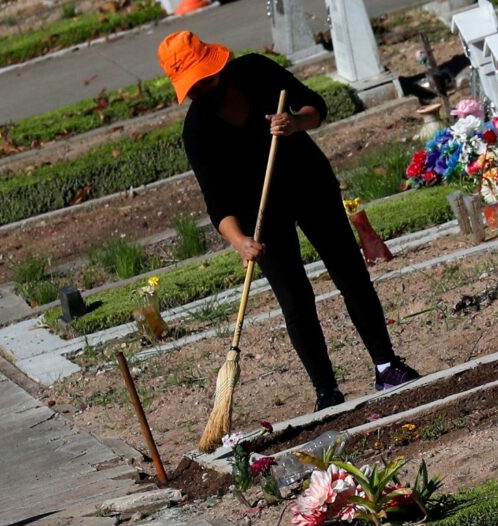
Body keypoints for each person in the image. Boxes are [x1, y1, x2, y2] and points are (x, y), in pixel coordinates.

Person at [161, 31, 419, 411]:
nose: (202, 91)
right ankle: (326, 391)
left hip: (310, 185)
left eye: (205, 81)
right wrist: (239, 241)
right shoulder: (197, 131)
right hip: (260, 217)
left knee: (350, 273)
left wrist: (296, 123)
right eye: (193, 89)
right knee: (295, 298)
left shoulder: (255, 70)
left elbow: (316, 107)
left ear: (217, 66)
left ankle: (386, 365)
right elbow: (217, 204)